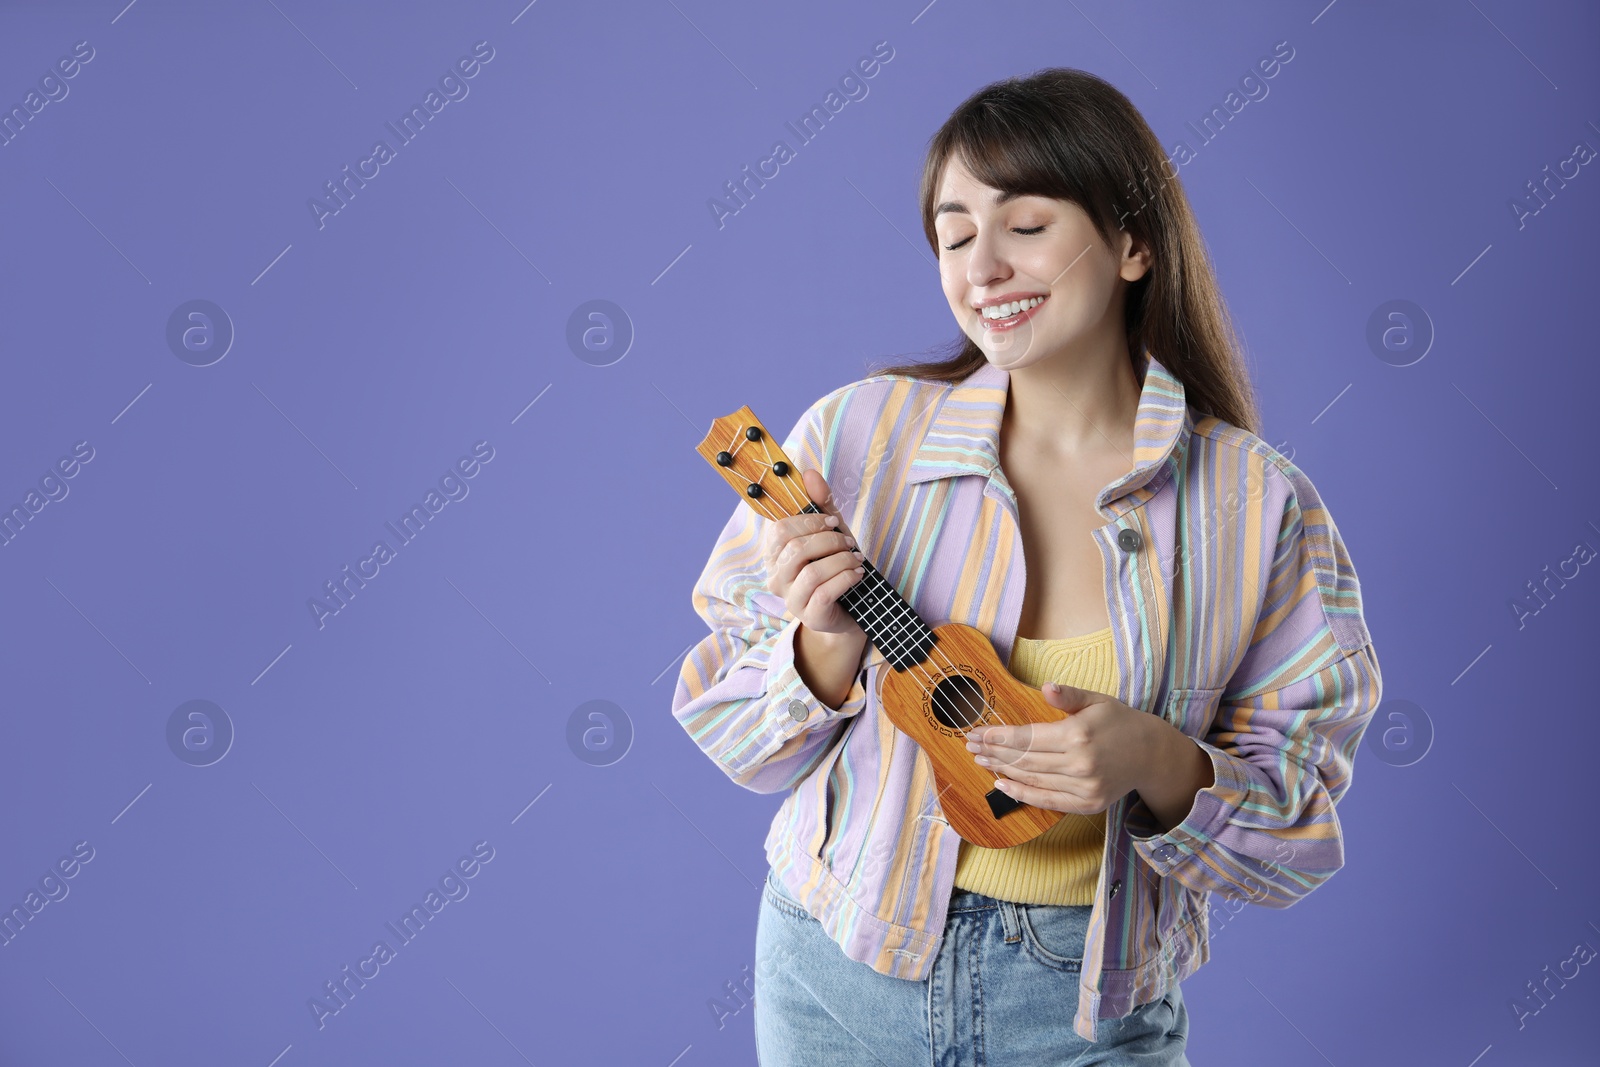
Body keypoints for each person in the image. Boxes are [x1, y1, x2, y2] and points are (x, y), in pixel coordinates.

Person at [672, 67, 1382, 1066]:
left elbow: (1296, 834)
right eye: (954, 234)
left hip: (1084, 1007)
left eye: (1025, 224)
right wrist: (820, 646)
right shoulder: (854, 438)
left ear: (1134, 244)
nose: (982, 267)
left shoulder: (1255, 506)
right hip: (837, 966)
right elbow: (729, 731)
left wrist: (1156, 761)